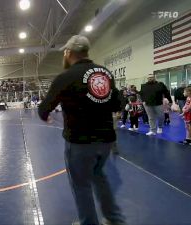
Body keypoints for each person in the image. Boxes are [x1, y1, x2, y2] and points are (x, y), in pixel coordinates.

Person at [38, 35, 126, 225]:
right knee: (98, 176)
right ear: (87, 52)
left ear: (68, 53)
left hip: (80, 142)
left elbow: (44, 108)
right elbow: (119, 102)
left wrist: (47, 116)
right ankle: (114, 219)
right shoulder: (104, 73)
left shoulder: (66, 77)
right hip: (106, 140)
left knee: (81, 186)